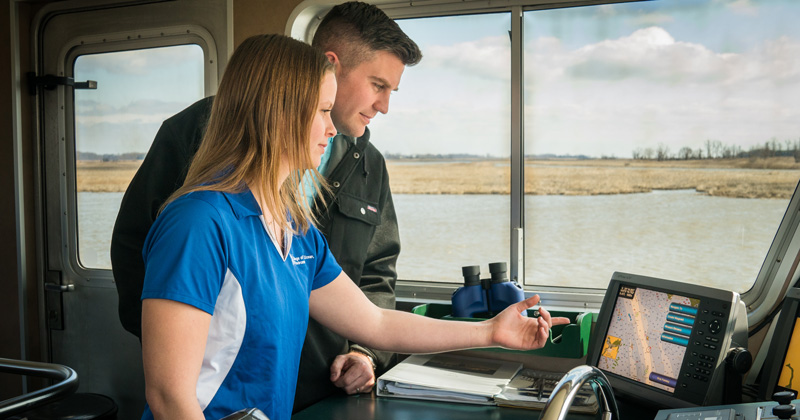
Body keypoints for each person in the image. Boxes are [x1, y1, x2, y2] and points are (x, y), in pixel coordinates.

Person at [140, 33, 568, 420]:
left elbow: (376, 324)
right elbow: (169, 396)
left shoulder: (294, 229)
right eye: (323, 111)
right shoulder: (198, 224)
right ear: (278, 114)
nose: (331, 128)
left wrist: (490, 331)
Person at [110, 1, 421, 411]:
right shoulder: (194, 152)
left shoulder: (356, 176)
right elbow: (142, 253)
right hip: (222, 388)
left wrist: (366, 353)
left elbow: (376, 286)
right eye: (378, 85)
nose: (384, 105)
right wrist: (186, 348)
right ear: (331, 64)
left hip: (321, 384)